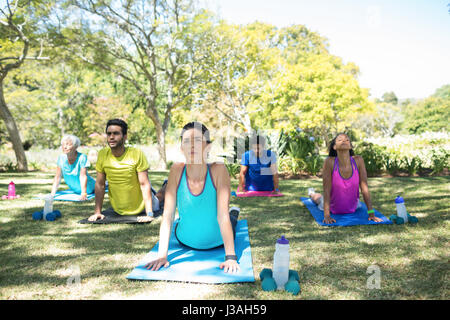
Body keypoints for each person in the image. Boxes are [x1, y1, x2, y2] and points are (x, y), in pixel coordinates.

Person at [144, 122, 241, 273]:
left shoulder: (218, 169)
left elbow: (222, 216)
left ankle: (234, 213)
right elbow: (168, 215)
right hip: (185, 240)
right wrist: (162, 256)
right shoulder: (176, 170)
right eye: (187, 141)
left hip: (218, 241)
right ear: (182, 148)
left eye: (197, 140)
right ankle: (234, 213)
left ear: (208, 146)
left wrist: (230, 257)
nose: (192, 146)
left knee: (229, 217)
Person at [88, 119, 160, 223]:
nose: (111, 137)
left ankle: (165, 187)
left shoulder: (136, 154)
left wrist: (149, 214)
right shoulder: (103, 155)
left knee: (160, 199)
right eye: (109, 134)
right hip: (119, 209)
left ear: (125, 136)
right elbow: (100, 185)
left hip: (143, 206)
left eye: (116, 133)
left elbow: (144, 184)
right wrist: (97, 212)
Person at [309, 133, 383, 224]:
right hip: (332, 207)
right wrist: (327, 216)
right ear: (334, 147)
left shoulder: (358, 160)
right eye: (340, 140)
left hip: (354, 206)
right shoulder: (329, 162)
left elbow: (364, 188)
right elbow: (326, 189)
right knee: (319, 199)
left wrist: (371, 214)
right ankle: (311, 193)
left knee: (357, 202)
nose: (344, 141)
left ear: (350, 146)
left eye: (347, 140)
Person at [51, 134, 96, 201]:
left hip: (89, 187)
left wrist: (83, 193)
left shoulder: (82, 157)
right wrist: (52, 194)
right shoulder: (61, 158)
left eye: (68, 144)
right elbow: (57, 177)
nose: (65, 147)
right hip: (75, 189)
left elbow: (83, 176)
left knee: (101, 184)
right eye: (63, 145)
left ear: (75, 147)